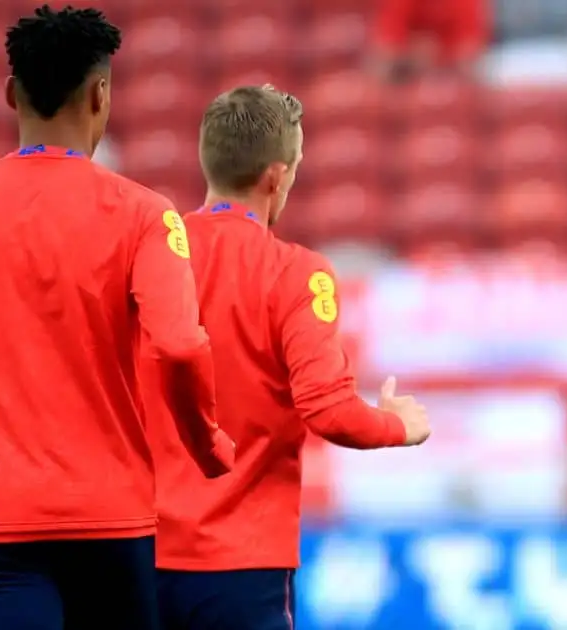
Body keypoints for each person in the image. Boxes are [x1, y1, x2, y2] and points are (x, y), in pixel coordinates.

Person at [0, 6, 234, 630]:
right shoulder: (144, 215)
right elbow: (176, 346)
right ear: (101, 94)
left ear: (11, 93)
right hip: (111, 526)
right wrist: (208, 446)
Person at [149, 85, 432, 630]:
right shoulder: (296, 273)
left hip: (136, 554)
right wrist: (397, 425)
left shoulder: (145, 254)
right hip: (241, 563)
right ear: (277, 176)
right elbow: (328, 409)